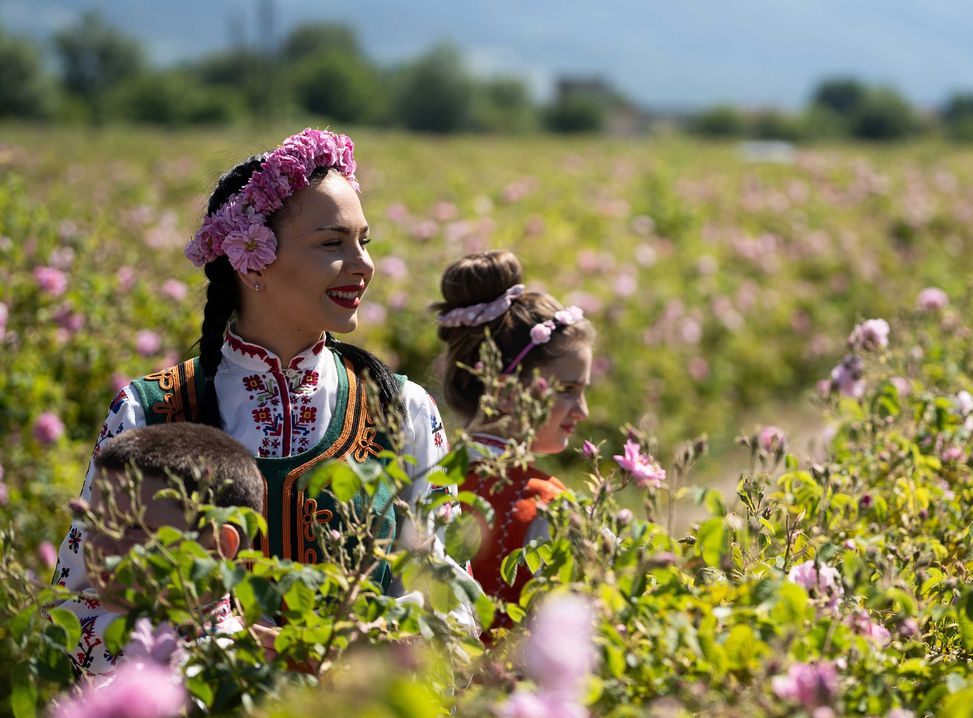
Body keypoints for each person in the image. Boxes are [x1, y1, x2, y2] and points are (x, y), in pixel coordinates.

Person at [51, 129, 452, 675]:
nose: (363, 265)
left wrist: (355, 651)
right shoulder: (150, 408)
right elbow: (76, 607)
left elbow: (446, 601)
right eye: (332, 244)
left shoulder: (401, 408)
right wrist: (218, 647)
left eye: (365, 241)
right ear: (252, 261)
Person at [432, 250, 594, 633]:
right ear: (505, 392)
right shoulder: (546, 503)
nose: (583, 411)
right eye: (567, 390)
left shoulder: (428, 478)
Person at [78, 423, 264, 673]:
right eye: (95, 524)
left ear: (217, 547)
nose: (101, 546)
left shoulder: (219, 675)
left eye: (134, 527)